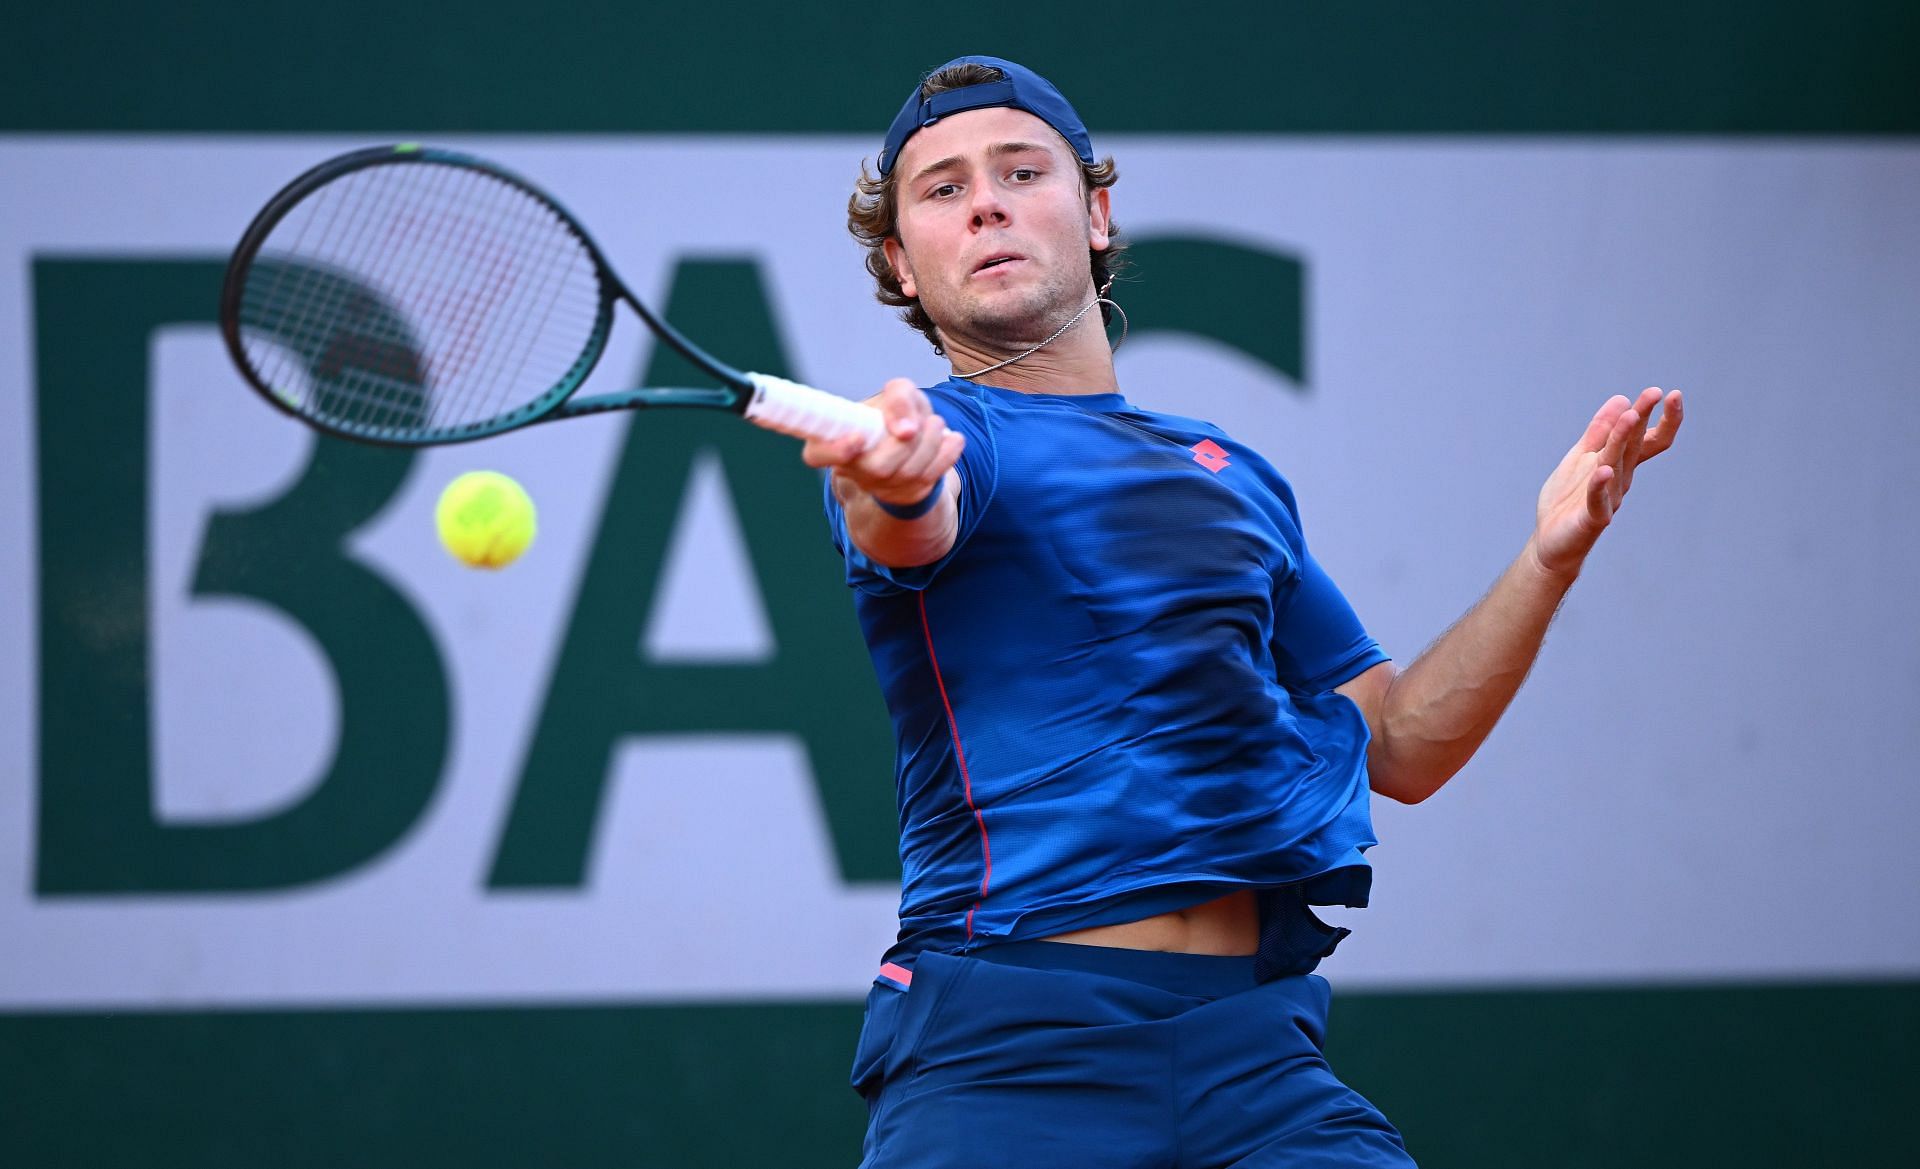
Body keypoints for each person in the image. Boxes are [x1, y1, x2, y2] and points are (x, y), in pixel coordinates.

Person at [803, 56, 1683, 1169]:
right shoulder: (938, 438)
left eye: (1022, 170)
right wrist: (891, 477)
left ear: (1096, 211)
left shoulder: (1233, 476)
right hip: (1007, 1055)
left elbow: (1402, 741)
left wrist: (1550, 555)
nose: (985, 200)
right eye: (941, 189)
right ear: (902, 263)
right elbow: (908, 519)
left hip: (1257, 1058)